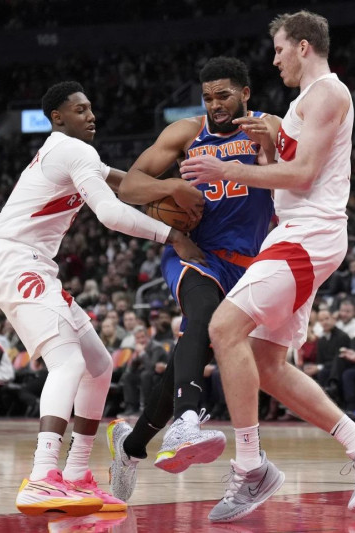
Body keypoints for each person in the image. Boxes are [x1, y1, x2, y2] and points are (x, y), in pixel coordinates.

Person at [179, 11, 355, 522]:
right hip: (296, 231)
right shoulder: (299, 104)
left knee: (224, 327)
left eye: (279, 49)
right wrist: (264, 148)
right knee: (265, 361)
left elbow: (303, 175)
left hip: (312, 232)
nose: (274, 58)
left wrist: (227, 167)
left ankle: (250, 466)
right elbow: (287, 174)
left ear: (303, 47)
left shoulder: (327, 91)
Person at [0, 81, 204, 516]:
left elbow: (120, 183)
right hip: (14, 258)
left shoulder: (72, 153)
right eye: (80, 110)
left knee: (99, 368)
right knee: (69, 363)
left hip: (30, 261)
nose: (91, 116)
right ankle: (44, 476)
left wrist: (167, 187)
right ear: (57, 118)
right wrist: (172, 233)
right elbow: (112, 212)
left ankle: (77, 474)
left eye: (92, 108)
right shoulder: (71, 150)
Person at [106, 57, 276, 501]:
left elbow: (296, 179)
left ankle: (131, 446)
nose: (216, 105)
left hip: (248, 262)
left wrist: (272, 151)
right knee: (198, 316)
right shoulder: (186, 132)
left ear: (245, 94)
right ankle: (187, 421)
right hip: (194, 252)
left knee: (194, 346)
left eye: (224, 95)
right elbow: (129, 186)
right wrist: (172, 189)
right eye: (208, 97)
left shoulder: (267, 127)